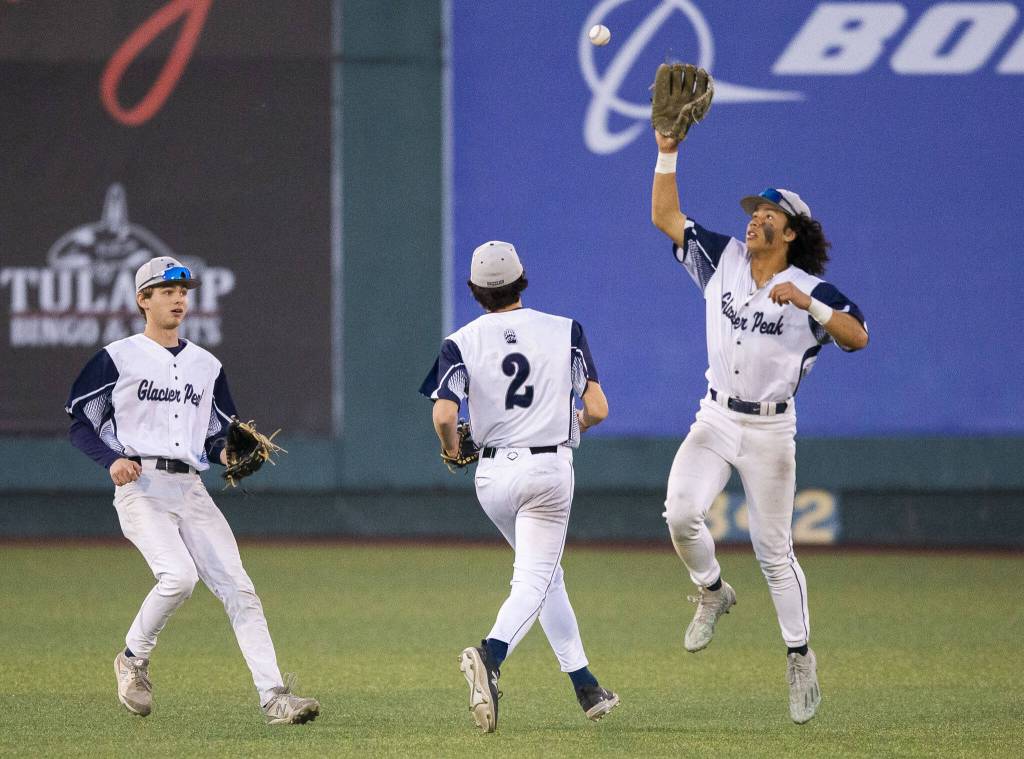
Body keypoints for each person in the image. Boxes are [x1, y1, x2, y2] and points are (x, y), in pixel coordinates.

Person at [649, 132, 869, 724]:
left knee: (774, 552)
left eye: (767, 215)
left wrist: (812, 305)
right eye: (753, 213)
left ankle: (799, 657)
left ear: (791, 231)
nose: (754, 222)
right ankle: (714, 590)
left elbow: (857, 336)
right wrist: (667, 150)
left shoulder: (814, 291)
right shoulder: (722, 260)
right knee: (678, 511)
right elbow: (665, 215)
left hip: (772, 431)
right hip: (716, 415)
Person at [64, 256, 320, 725]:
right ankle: (132, 659)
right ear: (143, 300)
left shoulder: (207, 365)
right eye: (166, 291)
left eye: (183, 291)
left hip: (191, 488)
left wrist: (227, 455)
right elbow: (82, 425)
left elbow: (216, 437)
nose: (179, 298)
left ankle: (274, 698)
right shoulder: (117, 357)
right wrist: (112, 459)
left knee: (240, 590)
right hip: (141, 486)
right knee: (178, 577)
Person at [419, 241, 619, 733]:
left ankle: (587, 686)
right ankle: (490, 655)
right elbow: (597, 408)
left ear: (473, 290)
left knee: (546, 577)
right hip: (547, 473)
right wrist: (577, 423)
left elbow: (445, 413)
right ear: (522, 279)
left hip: (492, 477)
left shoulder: (460, 340)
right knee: (532, 579)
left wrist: (450, 449)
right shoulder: (562, 329)